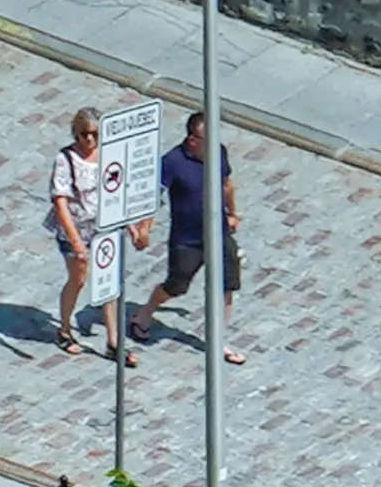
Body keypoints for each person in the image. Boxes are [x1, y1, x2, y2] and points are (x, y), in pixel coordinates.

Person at [139, 114, 244, 363]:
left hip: (218, 233)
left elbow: (226, 184)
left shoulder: (218, 152)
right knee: (177, 286)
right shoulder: (173, 161)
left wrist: (233, 213)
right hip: (187, 239)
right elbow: (154, 196)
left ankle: (218, 340)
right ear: (192, 140)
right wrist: (144, 228)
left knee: (228, 285)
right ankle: (144, 314)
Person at [46, 109, 126, 362]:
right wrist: (77, 242)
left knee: (108, 281)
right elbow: (61, 203)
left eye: (95, 135)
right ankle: (64, 328)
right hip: (76, 227)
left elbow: (119, 189)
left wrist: (134, 227)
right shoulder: (66, 159)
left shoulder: (109, 155)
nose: (90, 140)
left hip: (103, 226)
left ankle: (114, 341)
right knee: (79, 278)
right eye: (84, 135)